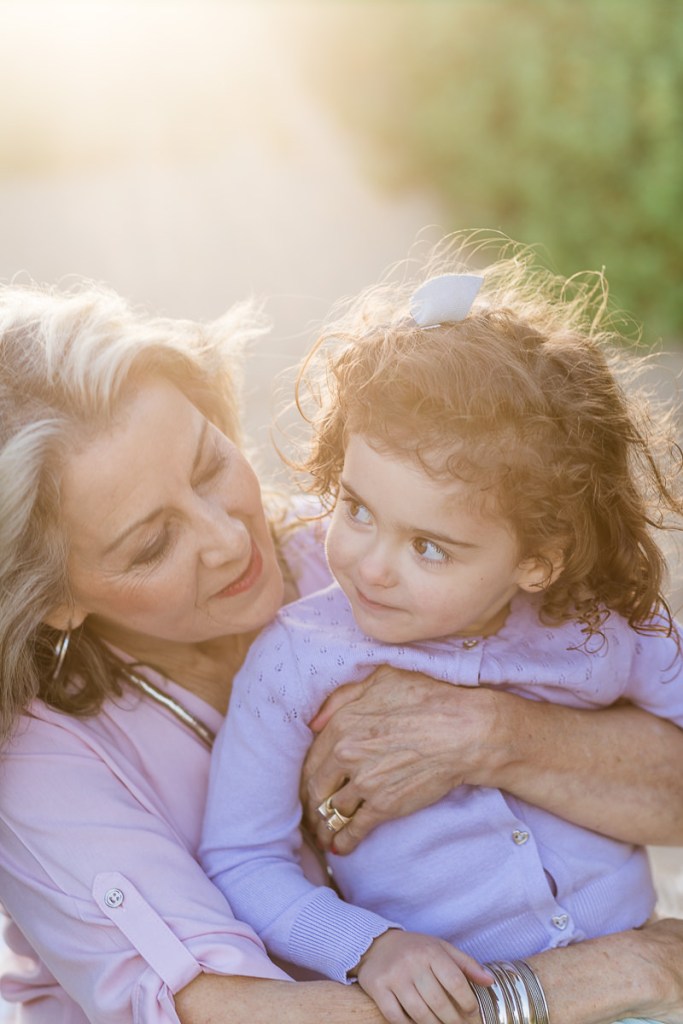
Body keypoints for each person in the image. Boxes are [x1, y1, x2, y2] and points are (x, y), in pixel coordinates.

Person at [0, 270, 678, 1024]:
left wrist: (491, 733)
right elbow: (224, 1011)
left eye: (210, 464)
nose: (229, 539)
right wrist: (607, 975)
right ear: (52, 597)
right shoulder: (38, 768)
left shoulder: (384, 530)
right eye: (153, 544)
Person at [199, 241, 683, 1024]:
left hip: (640, 990)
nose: (370, 566)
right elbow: (240, 857)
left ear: (538, 560)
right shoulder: (295, 661)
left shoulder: (601, 627)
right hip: (463, 1007)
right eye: (357, 508)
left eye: (428, 546)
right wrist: (369, 947)